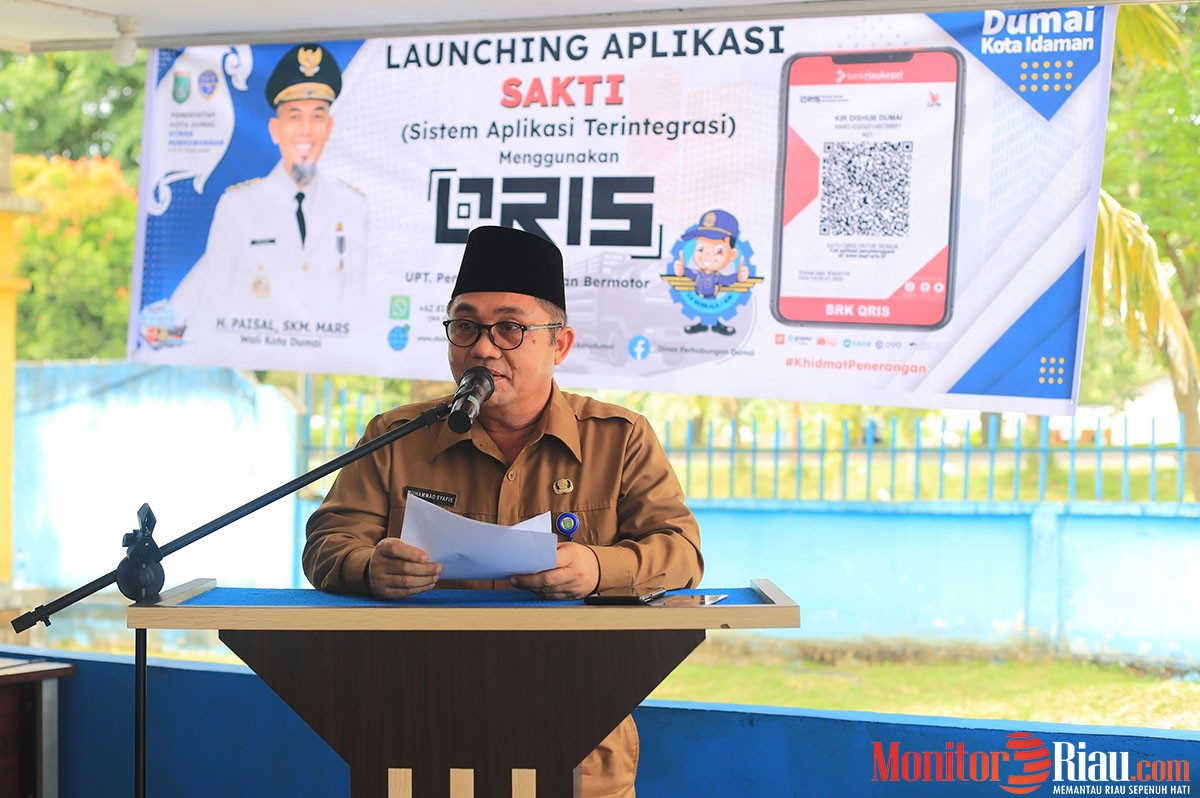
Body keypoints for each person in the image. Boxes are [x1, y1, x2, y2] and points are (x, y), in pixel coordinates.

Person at [304, 225, 704, 797]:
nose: (483, 348)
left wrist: (596, 568)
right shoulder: (398, 436)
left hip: (578, 745)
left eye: (510, 328)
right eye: (465, 326)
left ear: (559, 345)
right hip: (418, 738)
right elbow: (328, 542)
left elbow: (682, 553)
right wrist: (370, 567)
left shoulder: (619, 440)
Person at [157, 42, 367, 343]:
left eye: (317, 117)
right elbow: (216, 304)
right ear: (274, 129)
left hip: (329, 363)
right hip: (255, 358)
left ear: (329, 127)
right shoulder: (237, 207)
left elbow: (358, 308)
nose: (306, 131)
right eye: (294, 117)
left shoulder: (353, 207)